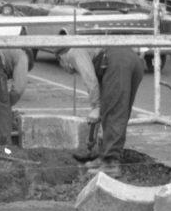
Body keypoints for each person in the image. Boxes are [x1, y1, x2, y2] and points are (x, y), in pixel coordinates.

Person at [57, 45, 144, 177]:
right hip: (132, 61)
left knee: (114, 114)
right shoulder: (91, 51)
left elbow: (89, 79)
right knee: (119, 112)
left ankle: (110, 164)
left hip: (117, 63)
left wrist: (96, 106)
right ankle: (105, 157)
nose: (68, 70)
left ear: (61, 58)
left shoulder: (73, 52)